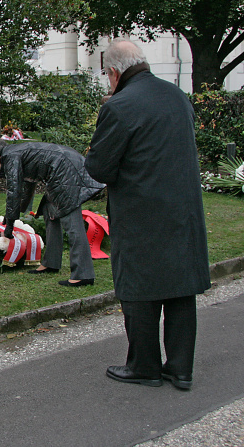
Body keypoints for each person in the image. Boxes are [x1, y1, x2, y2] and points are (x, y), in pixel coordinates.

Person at [84, 38, 211, 389]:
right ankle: (181, 369)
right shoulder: (177, 95)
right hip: (183, 210)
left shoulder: (119, 105)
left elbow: (100, 168)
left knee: (139, 287)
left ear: (113, 72)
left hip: (141, 212)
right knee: (180, 287)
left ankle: (145, 366)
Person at [0, 137, 104, 286]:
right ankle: (51, 262)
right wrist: (10, 218)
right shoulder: (15, 152)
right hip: (63, 169)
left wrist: (9, 226)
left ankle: (83, 275)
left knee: (72, 222)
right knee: (49, 211)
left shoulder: (10, 157)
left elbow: (14, 191)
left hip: (65, 172)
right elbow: (27, 187)